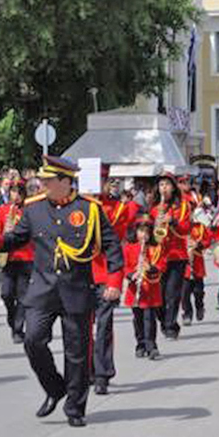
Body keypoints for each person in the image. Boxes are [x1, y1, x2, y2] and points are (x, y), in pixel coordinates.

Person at [0, 155, 124, 428]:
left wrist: (114, 282)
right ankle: (55, 387)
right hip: (43, 290)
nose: (42, 185)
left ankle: (75, 407)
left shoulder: (90, 210)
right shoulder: (34, 209)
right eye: (42, 180)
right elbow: (18, 238)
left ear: (65, 181)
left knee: (77, 353)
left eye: (47, 181)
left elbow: (112, 248)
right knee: (33, 340)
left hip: (76, 290)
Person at [91, 166, 135, 395]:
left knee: (104, 326)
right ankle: (86, 369)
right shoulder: (77, 206)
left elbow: (112, 244)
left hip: (105, 272)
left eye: (103, 180)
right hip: (80, 275)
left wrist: (115, 281)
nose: (101, 184)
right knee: (80, 328)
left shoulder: (118, 209)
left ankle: (102, 373)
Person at [150, 173, 191, 339]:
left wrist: (172, 221)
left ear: (173, 187)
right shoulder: (153, 208)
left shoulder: (182, 207)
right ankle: (165, 320)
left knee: (172, 294)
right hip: (158, 255)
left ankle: (170, 326)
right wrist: (155, 223)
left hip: (177, 255)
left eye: (167, 185)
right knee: (158, 294)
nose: (163, 188)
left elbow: (186, 228)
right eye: (161, 185)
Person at [124, 214, 167, 360]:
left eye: (147, 232)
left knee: (150, 318)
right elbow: (124, 267)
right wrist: (132, 274)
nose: (144, 235)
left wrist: (150, 268)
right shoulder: (130, 248)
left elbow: (162, 265)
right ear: (135, 232)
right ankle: (140, 344)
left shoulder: (156, 248)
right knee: (138, 319)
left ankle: (152, 346)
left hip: (151, 290)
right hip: (135, 289)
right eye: (141, 231)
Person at [0, 179, 33, 344]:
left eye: (19, 192)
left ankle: (18, 329)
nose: (16, 195)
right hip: (9, 257)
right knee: (6, 294)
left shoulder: (30, 210)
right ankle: (13, 321)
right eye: (13, 191)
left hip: (26, 256)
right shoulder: (3, 210)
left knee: (22, 296)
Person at [181, 216, 212, 324]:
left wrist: (198, 245)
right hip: (184, 267)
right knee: (184, 294)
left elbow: (208, 240)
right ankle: (187, 314)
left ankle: (200, 307)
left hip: (197, 265)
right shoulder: (179, 228)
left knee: (198, 292)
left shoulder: (200, 227)